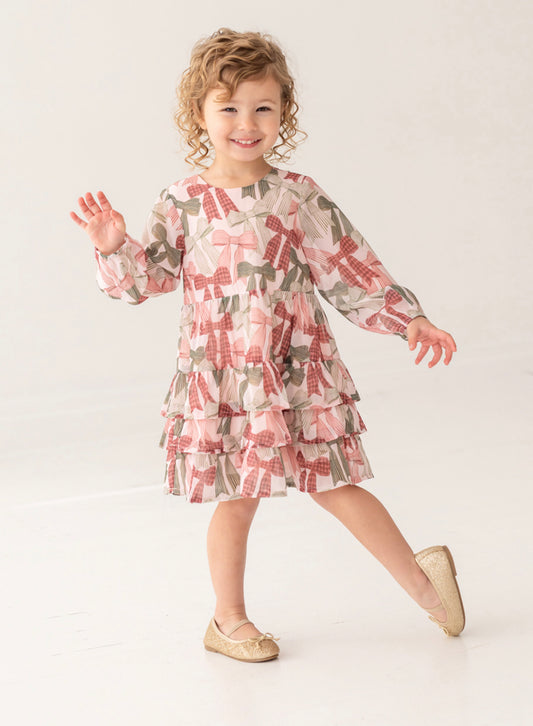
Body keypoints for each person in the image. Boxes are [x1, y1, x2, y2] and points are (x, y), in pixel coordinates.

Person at [70, 27, 465, 663]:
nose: (246, 123)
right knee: (238, 496)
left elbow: (349, 266)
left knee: (335, 483)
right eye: (228, 107)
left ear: (284, 112)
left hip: (296, 368)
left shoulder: (297, 195)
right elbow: (149, 281)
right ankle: (227, 621)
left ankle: (427, 587)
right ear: (199, 112)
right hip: (227, 378)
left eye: (262, 108)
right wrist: (115, 247)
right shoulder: (182, 201)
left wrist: (408, 320)